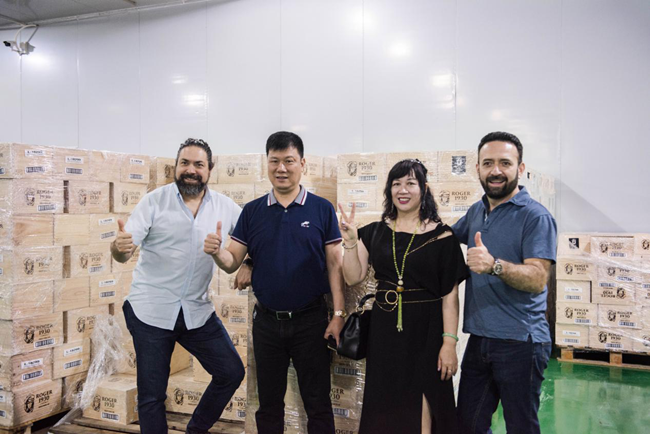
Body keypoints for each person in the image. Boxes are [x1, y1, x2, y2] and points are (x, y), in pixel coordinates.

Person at [205, 131, 345, 434]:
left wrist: (338, 314)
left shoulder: (321, 209)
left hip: (311, 322)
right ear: (266, 164)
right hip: (267, 323)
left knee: (318, 403)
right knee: (268, 405)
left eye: (289, 161)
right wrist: (217, 253)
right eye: (274, 161)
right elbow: (232, 262)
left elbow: (335, 265)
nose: (281, 168)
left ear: (302, 164)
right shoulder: (252, 211)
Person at [111, 138, 246, 434]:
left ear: (210, 169)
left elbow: (251, 239)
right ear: (176, 166)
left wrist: (247, 263)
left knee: (231, 372)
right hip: (151, 311)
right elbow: (123, 251)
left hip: (196, 311)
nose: (190, 170)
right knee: (152, 396)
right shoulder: (154, 202)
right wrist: (119, 248)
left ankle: (195, 430)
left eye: (198, 164)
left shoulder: (225, 207)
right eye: (184, 163)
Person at [339, 159, 468, 434]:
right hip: (384, 330)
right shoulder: (375, 231)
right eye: (396, 184)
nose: (403, 190)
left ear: (424, 188)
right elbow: (352, 276)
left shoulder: (443, 237)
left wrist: (449, 343)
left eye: (410, 183)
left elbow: (450, 297)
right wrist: (350, 242)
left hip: (427, 331)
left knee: (424, 401)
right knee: (385, 402)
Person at [452, 132, 557, 434]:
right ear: (478, 169)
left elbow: (538, 278)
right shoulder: (477, 211)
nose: (495, 170)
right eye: (488, 163)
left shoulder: (535, 217)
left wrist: (494, 265)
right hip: (479, 339)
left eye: (504, 163)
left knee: (520, 426)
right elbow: (442, 239)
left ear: (520, 168)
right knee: (468, 424)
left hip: (521, 342)